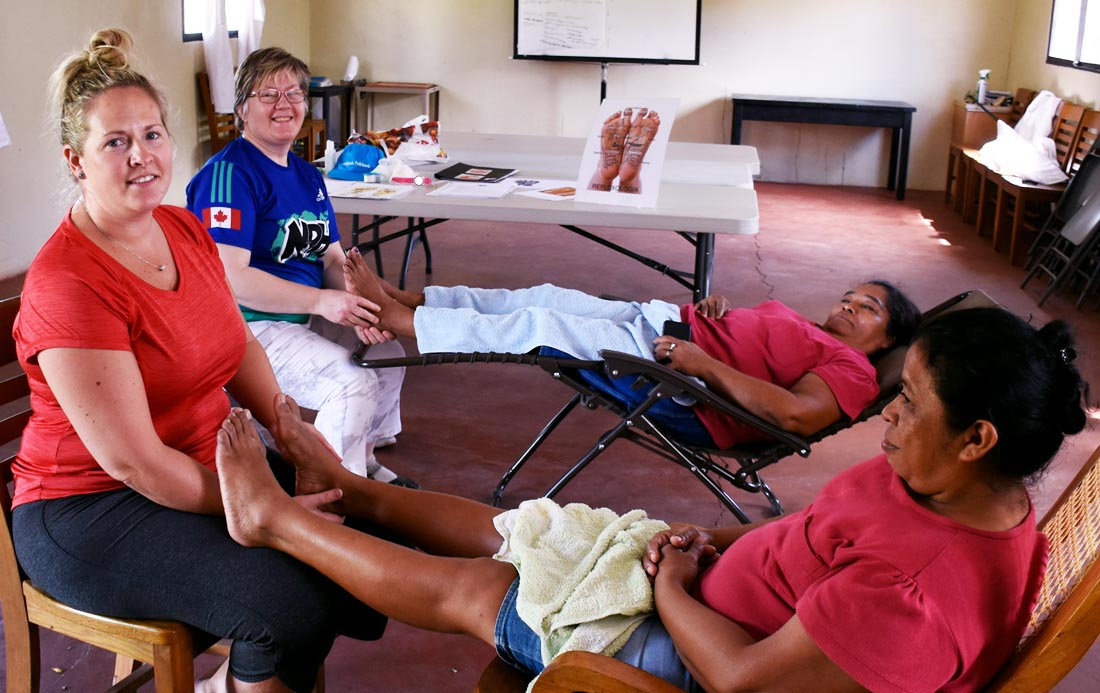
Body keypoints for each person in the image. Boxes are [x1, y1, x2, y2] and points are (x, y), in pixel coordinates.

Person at [215, 305, 1088, 692]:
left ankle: (280, 519)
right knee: (522, 523)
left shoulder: (918, 599)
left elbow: (743, 679)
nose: (885, 417)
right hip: (707, 584)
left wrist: (672, 583)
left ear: (979, 439)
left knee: (480, 589)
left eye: (909, 406)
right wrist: (706, 538)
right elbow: (818, 540)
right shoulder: (954, 491)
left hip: (700, 649)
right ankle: (355, 489)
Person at [12, 29, 386, 693]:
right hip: (91, 509)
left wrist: (291, 434)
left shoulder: (183, 227)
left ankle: (237, 682)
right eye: (116, 142)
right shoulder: (69, 279)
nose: (142, 156)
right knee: (291, 597)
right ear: (76, 160)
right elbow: (135, 464)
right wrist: (267, 506)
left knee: (361, 548)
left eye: (152, 134)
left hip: (203, 462)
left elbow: (238, 343)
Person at [347, 249, 920, 449]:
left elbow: (796, 413)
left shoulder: (852, 369)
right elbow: (762, 345)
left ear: (888, 339)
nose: (848, 307)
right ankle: (413, 297)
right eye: (848, 297)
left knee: (537, 323)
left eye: (867, 308)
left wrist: (705, 362)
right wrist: (723, 311)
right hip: (667, 326)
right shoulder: (814, 332)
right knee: (543, 293)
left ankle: (401, 321)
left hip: (678, 376)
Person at [185, 47, 413, 487]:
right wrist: (322, 301)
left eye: (294, 93)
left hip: (300, 315)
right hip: (248, 328)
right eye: (268, 94)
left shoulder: (307, 176)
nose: (284, 104)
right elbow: (232, 280)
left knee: (386, 353)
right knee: (351, 382)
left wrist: (357, 303)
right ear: (242, 110)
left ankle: (362, 463)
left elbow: (329, 256)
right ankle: (337, 491)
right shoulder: (229, 175)